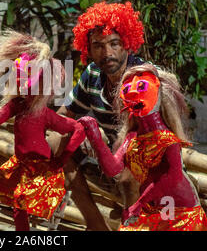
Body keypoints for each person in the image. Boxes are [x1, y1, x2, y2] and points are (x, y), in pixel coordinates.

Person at [0, 31, 86, 231]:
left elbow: (78, 128)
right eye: (20, 78)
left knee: (19, 202)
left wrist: (61, 160)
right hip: (19, 166)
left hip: (41, 171)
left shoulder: (43, 114)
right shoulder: (17, 104)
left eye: (28, 79)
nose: (23, 84)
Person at [80, 63, 207, 231]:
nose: (132, 92)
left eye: (142, 86)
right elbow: (113, 169)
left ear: (159, 92)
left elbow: (173, 177)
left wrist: (139, 204)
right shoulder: (132, 138)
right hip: (151, 211)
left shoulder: (168, 140)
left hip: (182, 215)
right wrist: (95, 136)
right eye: (126, 89)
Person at [54, 1, 146, 230]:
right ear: (88, 49)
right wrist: (76, 130)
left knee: (128, 178)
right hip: (109, 154)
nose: (107, 53)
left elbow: (143, 136)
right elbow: (66, 113)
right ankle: (96, 226)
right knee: (55, 144)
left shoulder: (141, 78)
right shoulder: (93, 73)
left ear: (127, 42)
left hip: (143, 152)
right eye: (98, 46)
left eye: (114, 43)